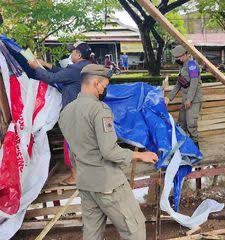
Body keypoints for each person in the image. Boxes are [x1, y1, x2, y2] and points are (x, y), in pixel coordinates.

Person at [58, 64, 158, 240]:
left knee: (92, 233)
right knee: (134, 228)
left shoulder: (66, 112)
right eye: (105, 85)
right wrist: (141, 155)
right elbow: (109, 151)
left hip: (85, 183)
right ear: (96, 83)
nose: (105, 90)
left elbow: (73, 151)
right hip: (107, 184)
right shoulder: (99, 110)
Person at [28, 41, 92, 185]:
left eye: (73, 52)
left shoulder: (76, 69)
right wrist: (46, 64)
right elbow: (62, 73)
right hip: (85, 109)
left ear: (79, 54)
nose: (71, 54)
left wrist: (36, 68)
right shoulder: (86, 67)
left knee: (72, 144)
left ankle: (75, 176)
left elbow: (52, 78)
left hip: (75, 112)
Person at [165, 45, 202, 147]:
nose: (178, 59)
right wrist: (169, 97)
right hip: (185, 99)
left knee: (191, 123)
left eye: (179, 57)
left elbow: (194, 84)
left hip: (193, 99)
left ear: (186, 55)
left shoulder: (192, 65)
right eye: (176, 58)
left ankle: (195, 148)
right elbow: (178, 84)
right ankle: (185, 146)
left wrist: (189, 100)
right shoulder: (183, 66)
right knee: (182, 123)